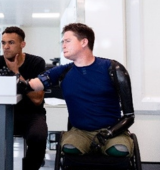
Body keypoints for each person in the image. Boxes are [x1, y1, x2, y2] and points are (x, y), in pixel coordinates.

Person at [18, 23, 135, 157]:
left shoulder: (113, 69)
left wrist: (109, 133)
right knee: (69, 149)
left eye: (67, 41)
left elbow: (129, 116)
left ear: (84, 42)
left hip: (112, 131)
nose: (63, 45)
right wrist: (16, 79)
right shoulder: (63, 71)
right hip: (80, 132)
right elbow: (32, 85)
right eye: (62, 42)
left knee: (118, 151)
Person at [0, 26, 48, 170]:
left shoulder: (36, 62)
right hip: (2, 114)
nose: (6, 47)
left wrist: (16, 73)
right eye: (3, 43)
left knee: (38, 136)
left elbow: (37, 99)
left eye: (11, 43)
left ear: (22, 44)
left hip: (30, 115)